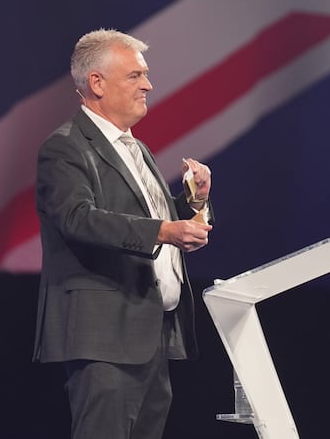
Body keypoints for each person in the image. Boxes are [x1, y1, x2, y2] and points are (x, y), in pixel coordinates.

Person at [32, 28, 214, 439]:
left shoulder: (136, 148)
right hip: (104, 338)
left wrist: (193, 203)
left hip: (151, 335)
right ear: (96, 83)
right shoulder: (65, 148)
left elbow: (148, 216)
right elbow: (78, 218)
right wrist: (166, 230)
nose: (148, 84)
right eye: (135, 75)